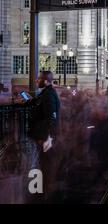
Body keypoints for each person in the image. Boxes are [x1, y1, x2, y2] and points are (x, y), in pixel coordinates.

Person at [27, 71, 61, 200]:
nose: (36, 81)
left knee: (43, 163)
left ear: (46, 81)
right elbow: (34, 102)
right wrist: (25, 99)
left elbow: (52, 117)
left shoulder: (49, 95)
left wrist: (48, 137)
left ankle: (41, 192)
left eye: (39, 79)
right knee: (41, 163)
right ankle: (39, 190)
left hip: (43, 136)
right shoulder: (46, 93)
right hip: (41, 135)